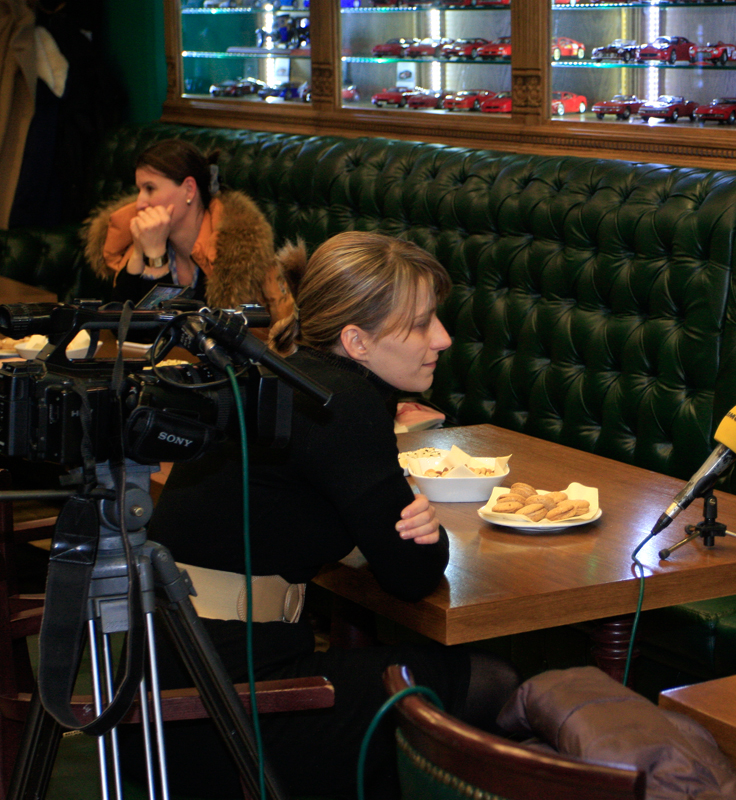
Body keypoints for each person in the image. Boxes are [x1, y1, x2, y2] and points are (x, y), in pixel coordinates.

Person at [138, 232, 518, 799]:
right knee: (492, 681)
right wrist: (429, 532)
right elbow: (411, 575)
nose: (442, 337)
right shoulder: (341, 403)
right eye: (420, 325)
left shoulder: (283, 377)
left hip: (163, 682)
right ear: (356, 341)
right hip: (227, 707)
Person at [83, 139, 292, 322]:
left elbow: (176, 334)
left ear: (189, 189)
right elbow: (123, 327)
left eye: (150, 188)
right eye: (139, 190)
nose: (140, 203)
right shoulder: (148, 237)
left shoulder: (234, 255)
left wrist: (156, 259)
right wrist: (139, 252)